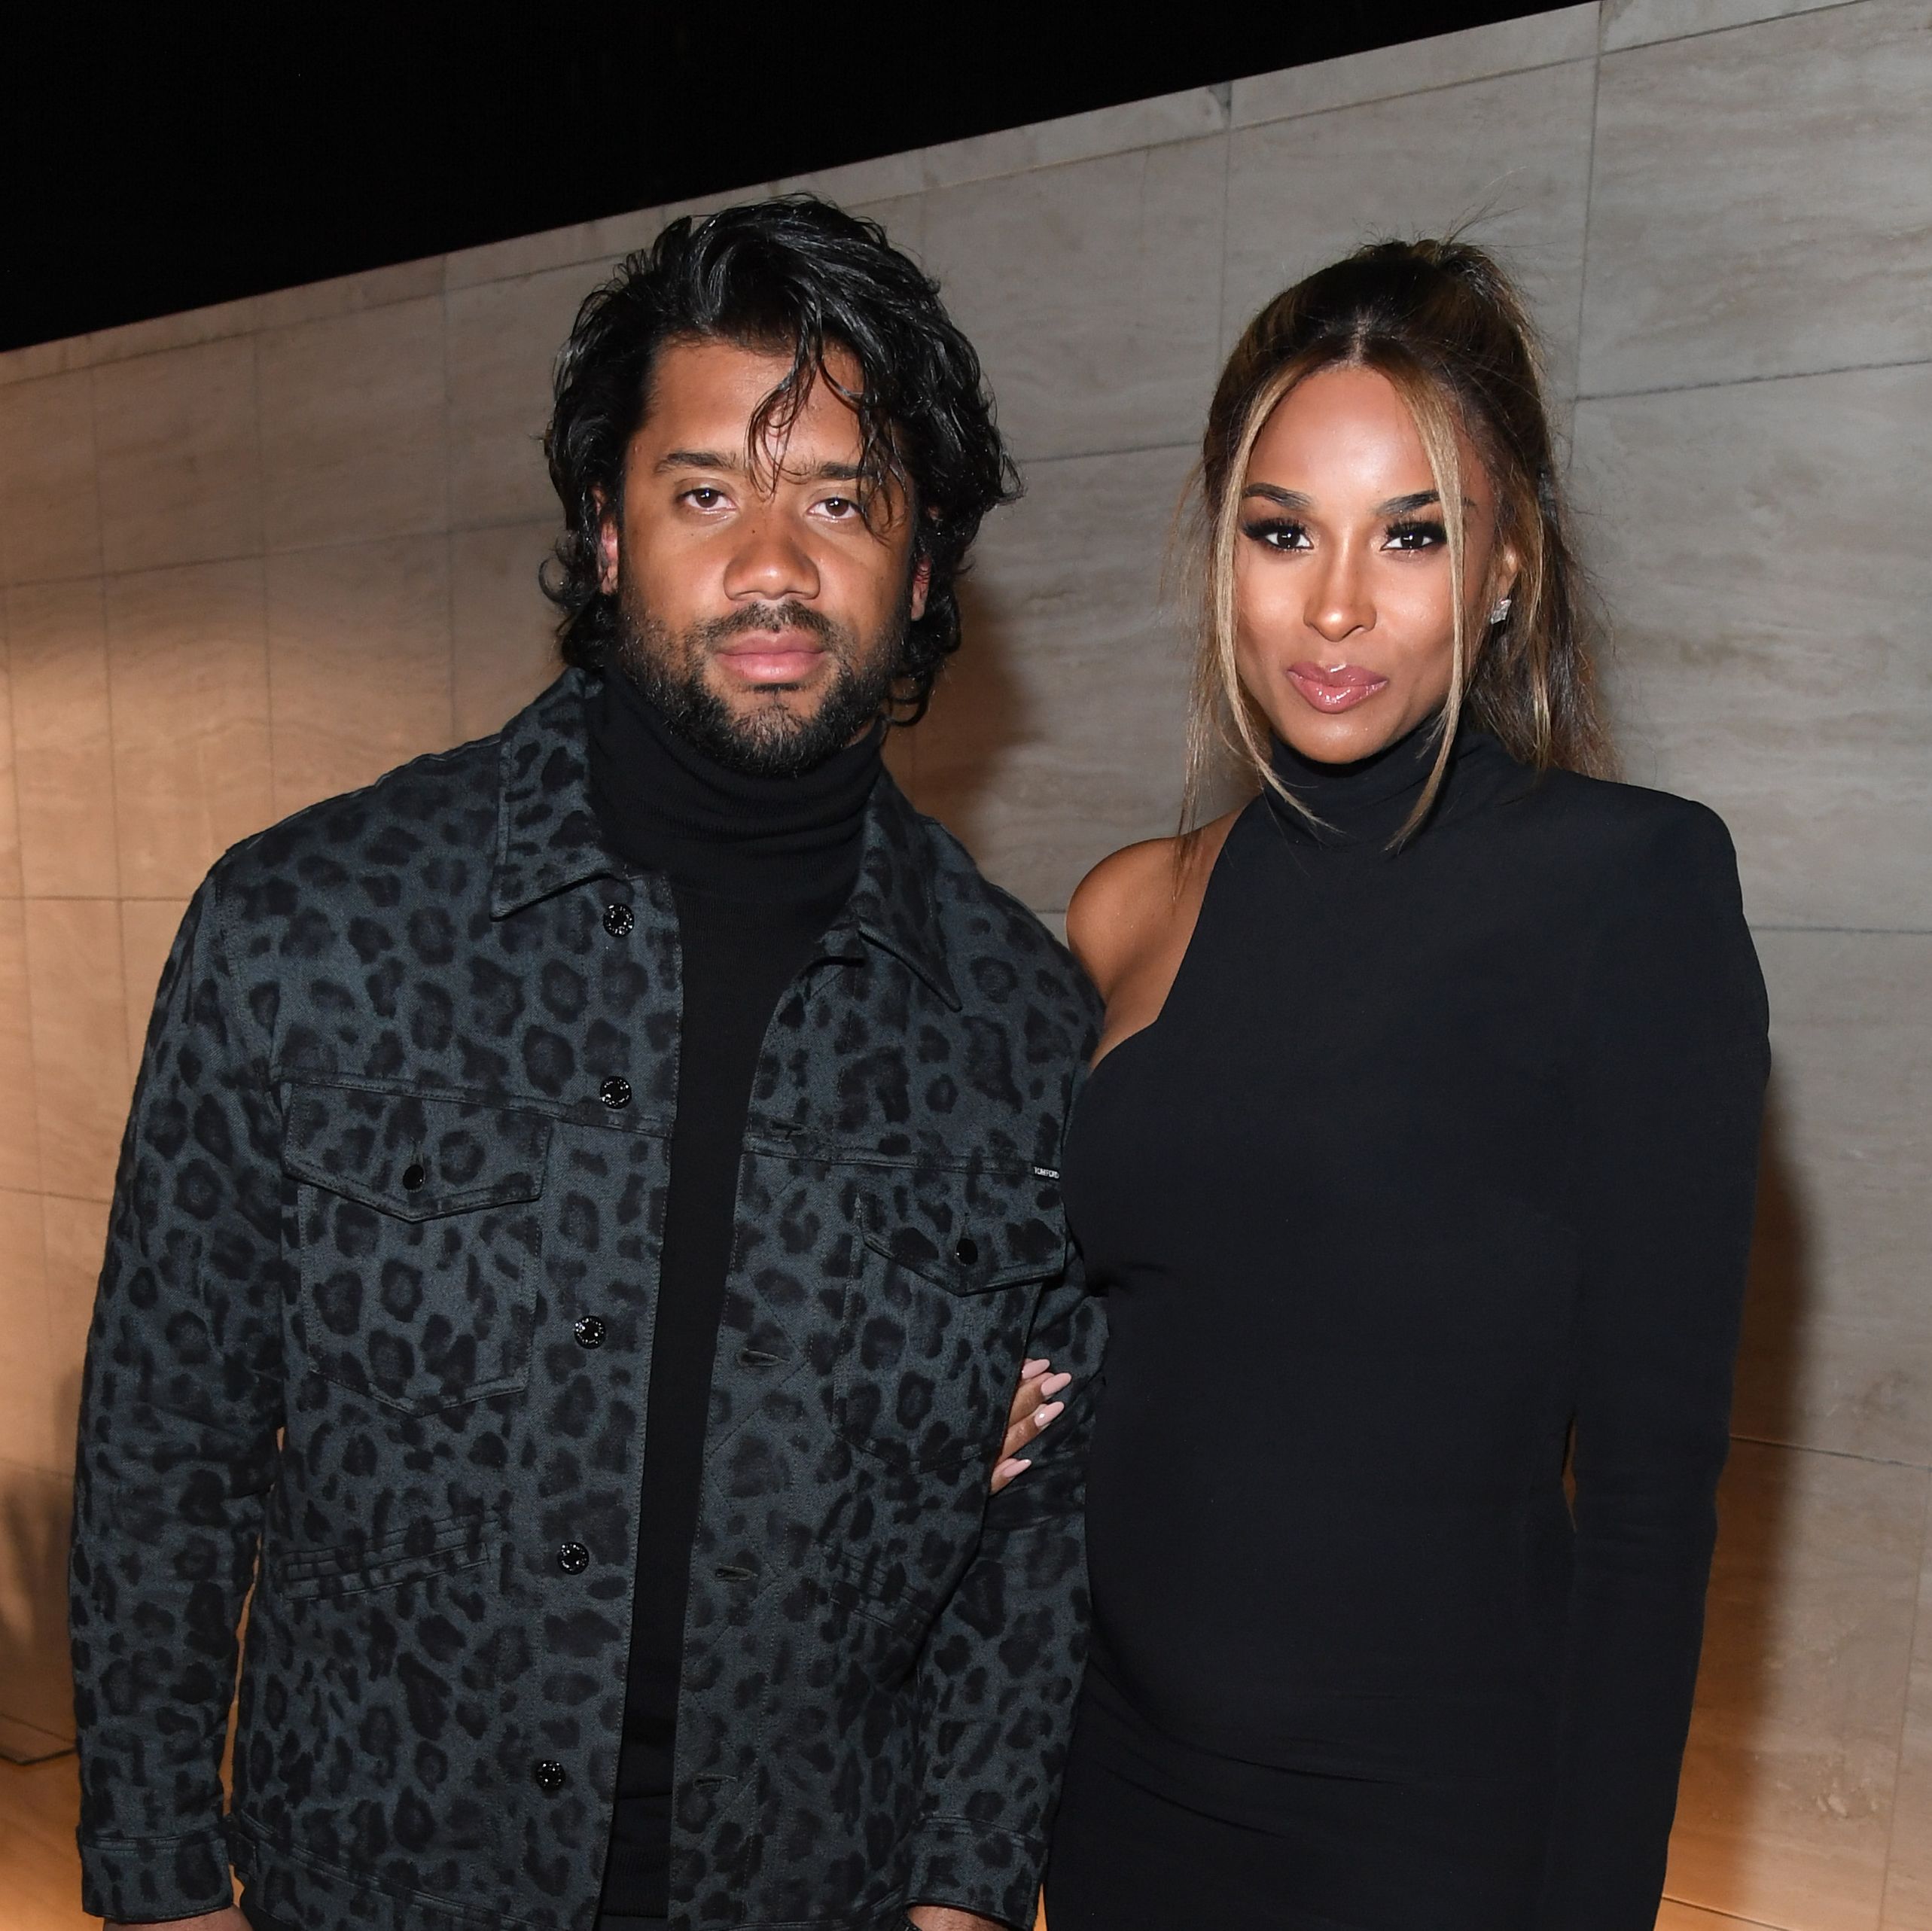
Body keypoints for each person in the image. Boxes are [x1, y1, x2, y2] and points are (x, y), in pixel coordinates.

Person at [69, 197, 1099, 1931]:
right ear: (606, 534)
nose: (771, 564)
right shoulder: (311, 927)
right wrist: (164, 1886)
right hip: (380, 1889)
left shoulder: (1019, 1025)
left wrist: (966, 1894)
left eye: (839, 499)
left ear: (924, 565)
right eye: (703, 493)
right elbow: (166, 1439)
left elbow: (1035, 1536)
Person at [1044, 239, 1769, 1931]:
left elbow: (1650, 1501)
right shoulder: (1127, 908)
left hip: (1429, 1839)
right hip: (1117, 1798)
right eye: (1280, 529)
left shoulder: (1627, 889)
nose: (1336, 605)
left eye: (1413, 534)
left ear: (1507, 565)